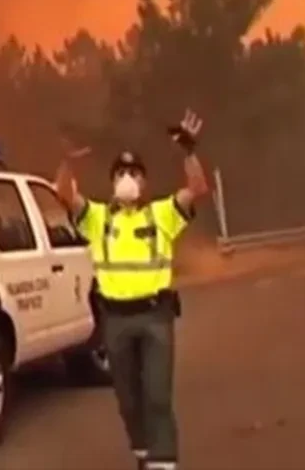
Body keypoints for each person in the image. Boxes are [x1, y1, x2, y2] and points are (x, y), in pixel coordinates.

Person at [54, 110, 210, 470]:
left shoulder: (161, 215)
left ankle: (163, 462)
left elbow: (197, 190)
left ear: (144, 182)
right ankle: (143, 452)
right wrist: (66, 163)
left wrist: (189, 152)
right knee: (128, 399)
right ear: (112, 182)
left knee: (156, 396)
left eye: (134, 173)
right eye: (121, 174)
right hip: (116, 321)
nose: (127, 178)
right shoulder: (98, 218)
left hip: (155, 317)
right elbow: (64, 196)